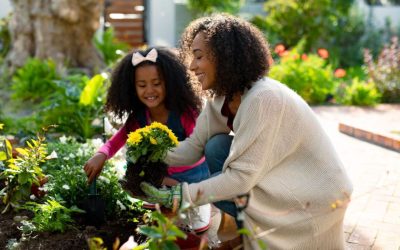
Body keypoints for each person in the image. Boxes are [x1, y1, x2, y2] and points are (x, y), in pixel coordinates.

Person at [139, 14, 353, 249]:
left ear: (224, 56)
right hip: (280, 178)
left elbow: (240, 180)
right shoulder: (221, 98)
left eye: (198, 56)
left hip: (315, 194)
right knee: (216, 147)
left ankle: (245, 238)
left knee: (224, 176)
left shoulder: (263, 98)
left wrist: (179, 195)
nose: (191, 66)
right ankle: (244, 236)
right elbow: (192, 149)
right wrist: (151, 150)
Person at [83, 47, 211, 234]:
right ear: (132, 88)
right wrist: (101, 155)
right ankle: (164, 199)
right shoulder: (139, 117)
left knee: (193, 226)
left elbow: (199, 150)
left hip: (191, 177)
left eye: (156, 83)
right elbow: (117, 141)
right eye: (142, 85)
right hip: (162, 176)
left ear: (170, 83)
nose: (149, 91)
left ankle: (189, 202)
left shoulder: (184, 114)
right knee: (134, 170)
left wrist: (174, 178)